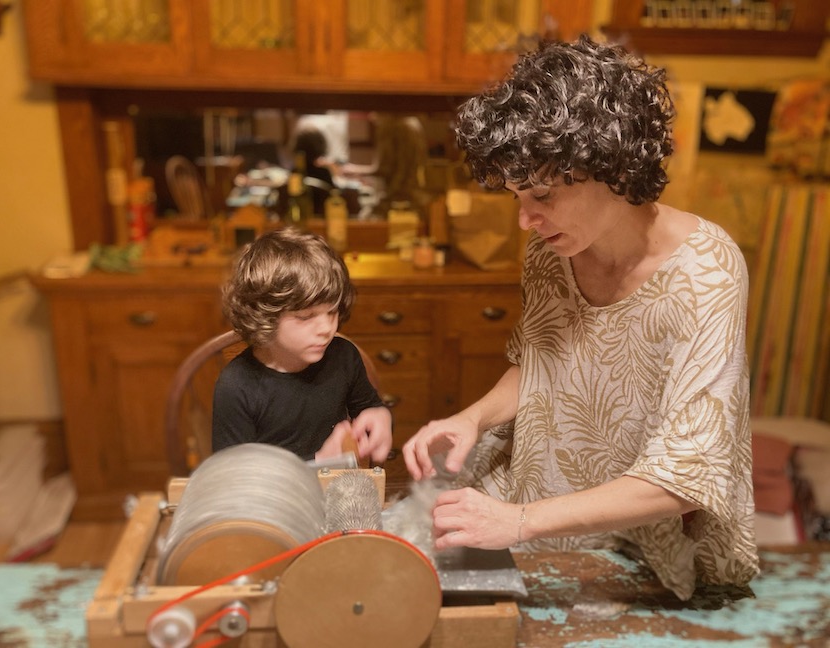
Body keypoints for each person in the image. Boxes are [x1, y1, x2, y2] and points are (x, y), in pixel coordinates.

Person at [402, 35, 758, 601]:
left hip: (648, 543)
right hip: (547, 518)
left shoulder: (707, 271)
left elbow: (690, 475)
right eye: (518, 195)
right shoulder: (553, 249)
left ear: (612, 167)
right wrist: (472, 417)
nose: (525, 219)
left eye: (541, 192)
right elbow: (546, 363)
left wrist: (519, 522)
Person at [213, 228, 392, 463]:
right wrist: (319, 462)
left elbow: (369, 408)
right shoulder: (237, 386)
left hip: (335, 494)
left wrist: (379, 417)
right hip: (273, 498)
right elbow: (235, 479)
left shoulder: (343, 357)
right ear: (264, 315)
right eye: (306, 316)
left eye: (332, 311)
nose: (326, 328)